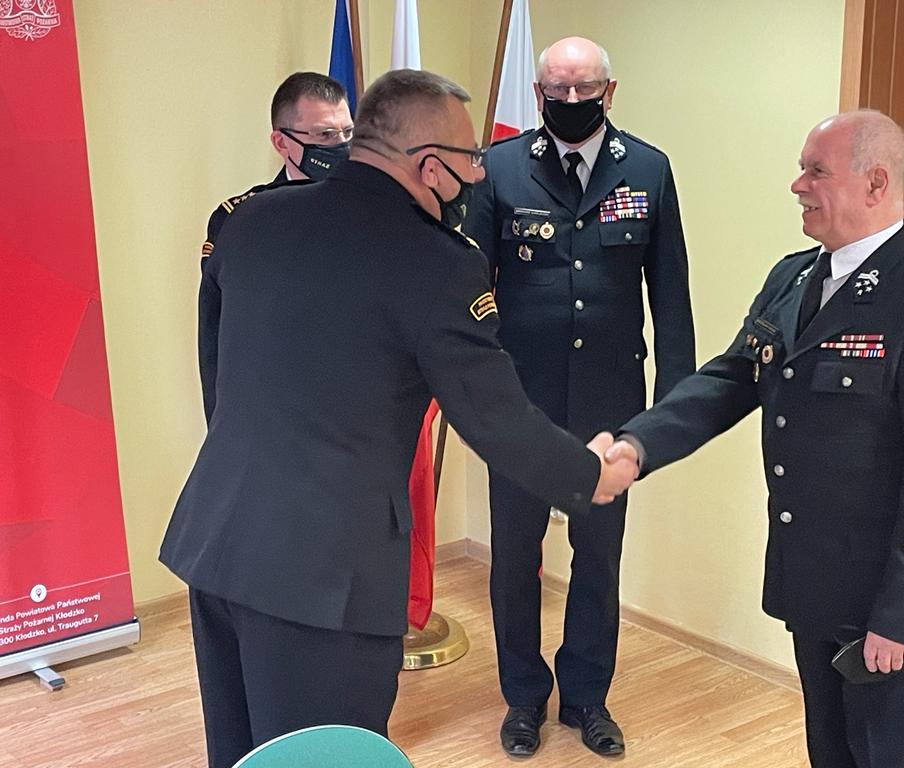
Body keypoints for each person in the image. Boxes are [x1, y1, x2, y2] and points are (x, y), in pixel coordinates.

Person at [160, 68, 638, 768]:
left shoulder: (252, 221)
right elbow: (495, 415)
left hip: (219, 541)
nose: (480, 174)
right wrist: (588, 474)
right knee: (326, 759)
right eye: (472, 158)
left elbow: (217, 369)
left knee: (240, 755)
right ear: (431, 166)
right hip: (326, 578)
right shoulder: (435, 263)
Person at [607, 110, 904, 768]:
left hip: (889, 601)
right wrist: (637, 446)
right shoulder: (793, 279)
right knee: (831, 752)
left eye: (816, 171)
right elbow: (731, 378)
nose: (797, 186)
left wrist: (902, 617)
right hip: (815, 585)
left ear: (875, 183)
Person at [461, 36, 694, 758]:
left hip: (609, 407)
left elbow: (671, 295)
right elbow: (468, 287)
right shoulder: (499, 168)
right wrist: (479, 392)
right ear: (537, 94)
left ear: (609, 91)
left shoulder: (648, 169)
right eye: (556, 90)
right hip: (520, 407)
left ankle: (587, 697)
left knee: (598, 557)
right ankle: (523, 698)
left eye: (583, 89)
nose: (570, 101)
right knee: (514, 557)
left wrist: (671, 411)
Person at [198, 71, 353, 422]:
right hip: (274, 420)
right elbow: (219, 336)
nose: (341, 145)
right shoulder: (241, 221)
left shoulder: (379, 214)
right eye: (325, 135)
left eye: (347, 132)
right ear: (282, 143)